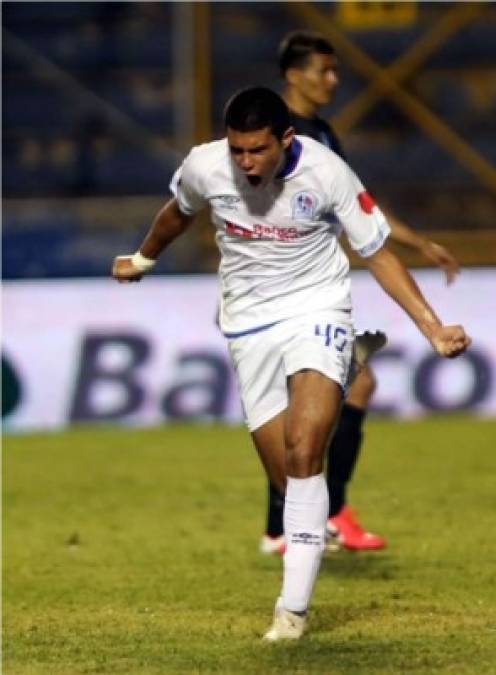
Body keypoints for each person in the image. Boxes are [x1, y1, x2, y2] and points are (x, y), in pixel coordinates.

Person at [112, 86, 471, 640]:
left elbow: (376, 253)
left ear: (285, 139)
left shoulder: (327, 173)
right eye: (237, 151)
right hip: (248, 325)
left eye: (257, 150)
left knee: (305, 451)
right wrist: (142, 259)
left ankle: (291, 612)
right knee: (288, 477)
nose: (246, 163)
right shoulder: (206, 166)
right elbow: (176, 213)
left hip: (317, 309)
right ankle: (315, 522)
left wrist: (433, 327)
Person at [260, 31, 462, 556]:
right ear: (293, 74)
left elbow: (359, 206)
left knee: (339, 391)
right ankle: (303, 521)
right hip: (275, 287)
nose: (332, 80)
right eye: (323, 70)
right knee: (341, 389)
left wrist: (418, 241)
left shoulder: (323, 135)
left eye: (333, 70)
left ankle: (297, 522)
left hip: (310, 288)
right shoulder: (272, 135)